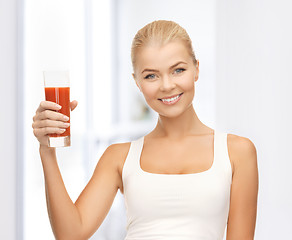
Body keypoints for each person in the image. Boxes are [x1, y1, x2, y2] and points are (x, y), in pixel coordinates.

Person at [32, 20, 259, 240]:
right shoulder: (118, 157)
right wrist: (47, 151)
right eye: (151, 75)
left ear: (196, 69)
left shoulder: (237, 152)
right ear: (137, 82)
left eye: (178, 70)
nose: (167, 85)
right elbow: (71, 234)